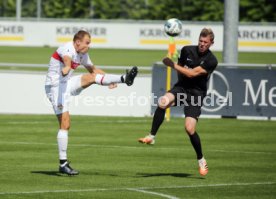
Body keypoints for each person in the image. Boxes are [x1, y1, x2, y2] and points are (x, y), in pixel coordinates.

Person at [45, 30, 138, 175]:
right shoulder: (67, 48)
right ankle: (63, 163)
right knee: (65, 124)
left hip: (67, 83)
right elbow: (67, 59)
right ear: (77, 42)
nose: (89, 45)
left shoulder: (83, 54)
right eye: (87, 42)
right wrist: (67, 67)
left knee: (91, 77)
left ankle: (123, 78)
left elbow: (94, 70)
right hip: (55, 88)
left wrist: (110, 81)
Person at [138, 28, 217, 176]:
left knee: (189, 129)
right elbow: (181, 70)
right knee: (162, 102)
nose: (202, 44)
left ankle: (201, 159)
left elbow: (192, 73)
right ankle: (151, 136)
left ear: (211, 43)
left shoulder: (211, 60)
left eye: (205, 42)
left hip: (196, 95)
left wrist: (171, 64)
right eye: (200, 41)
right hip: (181, 88)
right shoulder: (187, 50)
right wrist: (175, 67)